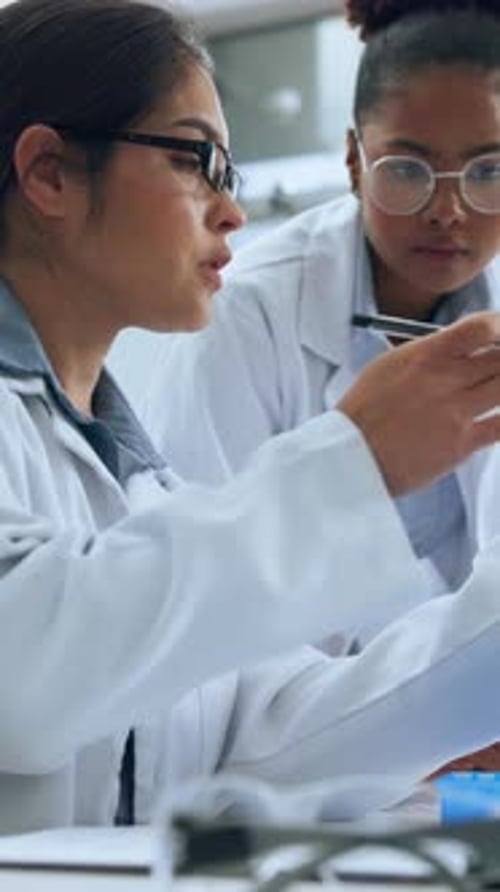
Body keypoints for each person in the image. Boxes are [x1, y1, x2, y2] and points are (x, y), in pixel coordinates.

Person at [1, 0, 500, 838]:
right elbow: (26, 678)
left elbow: (261, 741)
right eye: (199, 160)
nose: (232, 211)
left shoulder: (133, 476)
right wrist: (358, 462)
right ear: (50, 171)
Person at [144, 0, 500, 648]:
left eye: (488, 171)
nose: (448, 211)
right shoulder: (247, 317)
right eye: (407, 170)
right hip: (307, 724)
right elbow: (207, 600)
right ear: (354, 162)